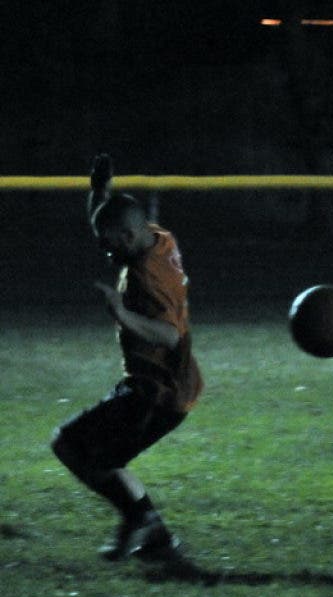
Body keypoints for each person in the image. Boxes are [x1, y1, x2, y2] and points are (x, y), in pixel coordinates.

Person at [51, 154, 203, 561]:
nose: (104, 252)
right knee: (91, 453)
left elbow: (169, 335)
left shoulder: (149, 276)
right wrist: (99, 193)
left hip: (159, 392)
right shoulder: (155, 237)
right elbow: (114, 222)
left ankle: (146, 525)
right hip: (150, 386)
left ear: (131, 238)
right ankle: (150, 531)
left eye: (110, 244)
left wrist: (122, 313)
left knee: (75, 448)